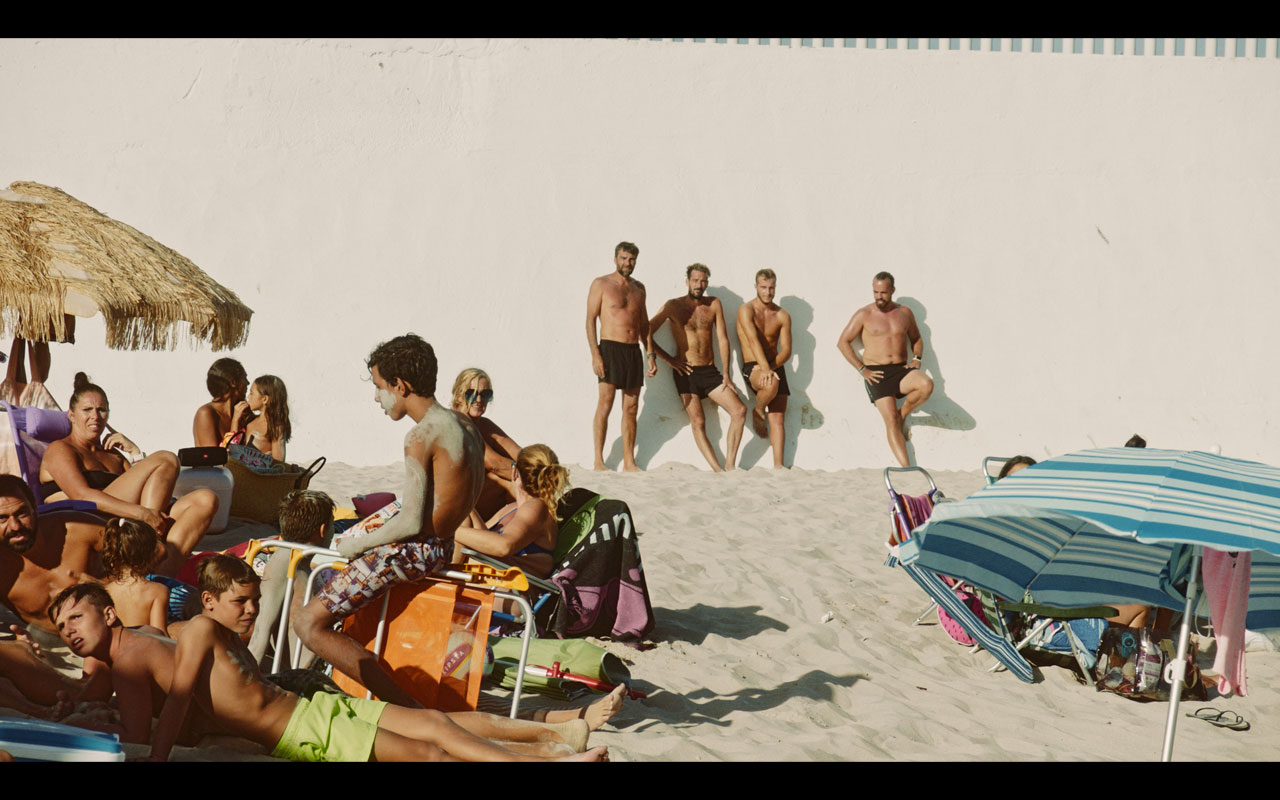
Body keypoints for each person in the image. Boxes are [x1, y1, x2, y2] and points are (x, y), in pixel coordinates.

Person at [50, 561, 607, 761]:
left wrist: (154, 755)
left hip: (301, 716)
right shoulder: (158, 636)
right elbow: (162, 705)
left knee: (433, 734)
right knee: (432, 738)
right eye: (62, 629)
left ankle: (556, 744)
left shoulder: (156, 647)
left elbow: (160, 717)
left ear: (106, 613)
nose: (69, 634)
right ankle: (556, 744)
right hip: (299, 710)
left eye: (75, 620)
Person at [291, 334, 486, 708]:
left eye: (380, 388)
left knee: (306, 622)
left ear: (401, 386)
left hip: (415, 549)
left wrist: (356, 543)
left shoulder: (421, 435)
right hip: (441, 547)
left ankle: (403, 707)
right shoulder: (464, 426)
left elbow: (412, 520)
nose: (376, 398)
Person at [38, 373, 218, 575]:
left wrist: (134, 452)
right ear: (71, 415)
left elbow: (152, 486)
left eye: (102, 410)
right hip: (88, 518)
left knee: (205, 499)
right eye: (87, 410)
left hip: (127, 519)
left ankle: (158, 577)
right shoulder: (61, 449)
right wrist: (142, 514)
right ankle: (148, 543)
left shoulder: (113, 455)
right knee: (166, 458)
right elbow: (81, 495)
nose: (95, 416)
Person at [649, 264, 748, 472]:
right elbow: (646, 333)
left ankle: (729, 465)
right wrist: (669, 360)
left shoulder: (714, 304)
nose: (699, 285)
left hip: (710, 372)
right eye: (695, 280)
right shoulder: (673, 306)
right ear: (687, 281)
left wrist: (727, 376)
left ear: (707, 283)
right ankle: (716, 469)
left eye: (703, 281)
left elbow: (722, 339)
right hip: (686, 372)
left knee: (739, 410)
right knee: (699, 421)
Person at [837, 272, 934, 468]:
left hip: (900, 369)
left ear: (893, 291)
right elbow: (842, 342)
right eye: (876, 292)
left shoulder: (904, 313)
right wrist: (862, 369)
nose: (879, 297)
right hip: (876, 373)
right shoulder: (864, 314)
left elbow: (916, 338)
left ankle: (903, 414)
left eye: (884, 292)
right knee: (890, 420)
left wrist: (916, 358)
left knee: (926, 385)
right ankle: (907, 468)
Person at [586, 241, 657, 472]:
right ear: (615, 258)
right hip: (609, 348)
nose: (628, 263)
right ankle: (599, 460)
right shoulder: (601, 284)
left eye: (632, 259)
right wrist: (596, 354)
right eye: (624, 258)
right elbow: (590, 320)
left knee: (631, 408)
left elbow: (644, 324)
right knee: (605, 404)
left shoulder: (639, 288)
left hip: (632, 351)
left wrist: (651, 354)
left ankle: (629, 461)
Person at [454, 444, 570, 579]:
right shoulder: (512, 508)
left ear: (514, 472)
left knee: (462, 516)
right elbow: (484, 540)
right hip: (490, 574)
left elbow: (504, 546)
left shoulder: (536, 508)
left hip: (508, 586)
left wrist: (449, 530)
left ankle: (436, 581)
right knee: (465, 510)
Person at [248, 489, 334, 669]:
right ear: (322, 530)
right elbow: (261, 631)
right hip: (310, 669)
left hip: (314, 663)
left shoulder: (296, 561)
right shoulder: (284, 562)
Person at [736, 269, 793, 468]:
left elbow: (786, 350)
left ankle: (779, 466)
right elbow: (752, 340)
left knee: (778, 417)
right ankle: (758, 410)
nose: (768, 292)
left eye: (771, 288)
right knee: (770, 385)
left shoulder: (782, 315)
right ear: (756, 287)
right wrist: (765, 369)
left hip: (775, 364)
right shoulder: (746, 310)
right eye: (763, 287)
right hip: (754, 365)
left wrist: (772, 367)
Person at [451, 368, 522, 519]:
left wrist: (540, 465)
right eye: (471, 393)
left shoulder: (483, 425)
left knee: (511, 479)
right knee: (501, 480)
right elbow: (494, 464)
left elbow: (519, 453)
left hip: (473, 508)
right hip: (456, 511)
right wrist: (536, 476)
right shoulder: (458, 423)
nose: (478, 400)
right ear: (458, 395)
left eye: (485, 394)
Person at [100, 517, 171, 633]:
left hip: (116, 649)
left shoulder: (104, 592)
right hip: (143, 649)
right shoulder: (158, 591)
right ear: (150, 555)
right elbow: (159, 635)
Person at [193, 357, 249, 447]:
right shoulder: (206, 413)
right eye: (244, 378)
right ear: (233, 382)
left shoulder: (240, 411)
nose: (248, 383)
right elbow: (213, 458)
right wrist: (234, 423)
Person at [241, 374, 292, 461]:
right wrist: (235, 418)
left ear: (265, 399)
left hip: (260, 473)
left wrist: (265, 459)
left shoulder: (275, 428)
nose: (248, 397)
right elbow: (233, 446)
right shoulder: (249, 421)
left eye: (252, 393)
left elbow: (279, 462)